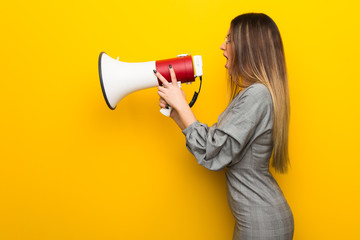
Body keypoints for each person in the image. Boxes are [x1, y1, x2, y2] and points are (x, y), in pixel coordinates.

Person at [154, 13, 294, 240]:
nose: (222, 46)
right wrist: (176, 114)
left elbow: (214, 151)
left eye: (229, 39)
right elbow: (219, 145)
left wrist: (183, 105)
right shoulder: (253, 94)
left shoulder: (257, 95)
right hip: (260, 220)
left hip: (262, 223)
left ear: (249, 48)